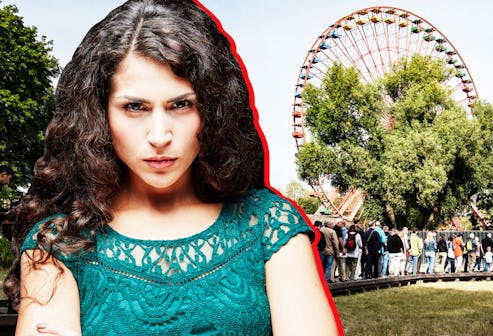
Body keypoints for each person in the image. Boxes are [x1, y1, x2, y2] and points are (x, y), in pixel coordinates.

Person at [4, 1, 339, 335]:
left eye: (181, 105)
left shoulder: (270, 227)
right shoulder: (56, 244)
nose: (160, 136)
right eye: (135, 107)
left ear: (213, 109)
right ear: (99, 114)